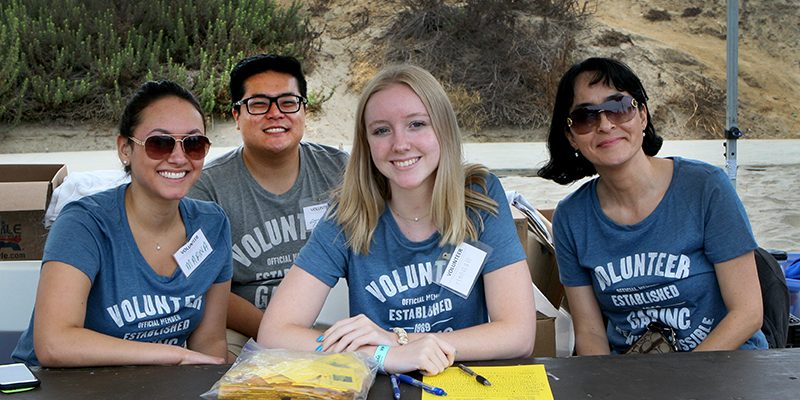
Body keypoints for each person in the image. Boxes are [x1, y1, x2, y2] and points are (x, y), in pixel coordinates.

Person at [259, 64, 536, 375]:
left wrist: (397, 340)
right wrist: (382, 355)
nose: (400, 144)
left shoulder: (478, 195)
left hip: (460, 380)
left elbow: (518, 334)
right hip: (378, 384)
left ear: (443, 129)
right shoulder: (348, 214)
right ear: (366, 144)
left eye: (417, 124)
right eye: (381, 130)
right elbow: (274, 334)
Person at [538, 57, 767, 355]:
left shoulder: (706, 187)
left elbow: (747, 313)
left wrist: (680, 382)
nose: (605, 124)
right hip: (634, 379)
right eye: (585, 117)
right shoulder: (570, 217)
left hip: (726, 365)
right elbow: (590, 332)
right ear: (571, 136)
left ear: (642, 115)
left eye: (619, 107)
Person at [12, 80, 232, 366]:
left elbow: (210, 343)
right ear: (125, 149)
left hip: (158, 386)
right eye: (159, 143)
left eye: (193, 143)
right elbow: (54, 343)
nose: (178, 158)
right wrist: (174, 355)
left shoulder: (212, 225)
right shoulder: (84, 224)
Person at [188, 54, 348, 358]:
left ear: (304, 110)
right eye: (259, 104)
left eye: (288, 102)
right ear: (236, 116)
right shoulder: (207, 188)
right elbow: (204, 285)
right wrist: (280, 335)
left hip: (327, 323)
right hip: (241, 329)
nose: (275, 114)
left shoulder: (340, 171)